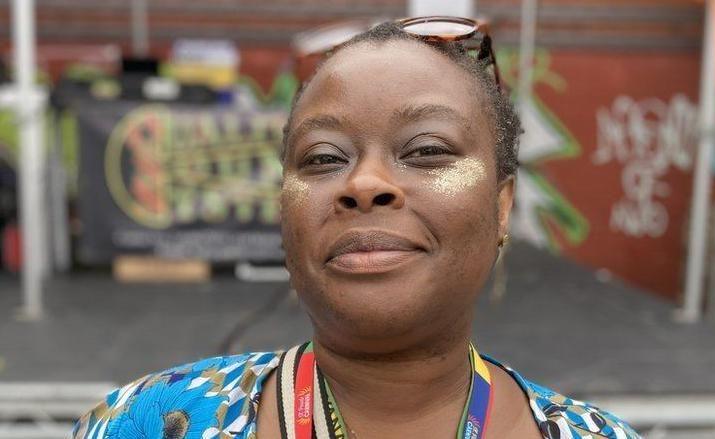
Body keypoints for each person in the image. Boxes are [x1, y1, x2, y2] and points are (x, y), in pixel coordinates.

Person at [72, 18, 640, 439]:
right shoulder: (145, 422)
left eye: (426, 149)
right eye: (322, 158)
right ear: (283, 215)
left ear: (501, 206)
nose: (364, 183)